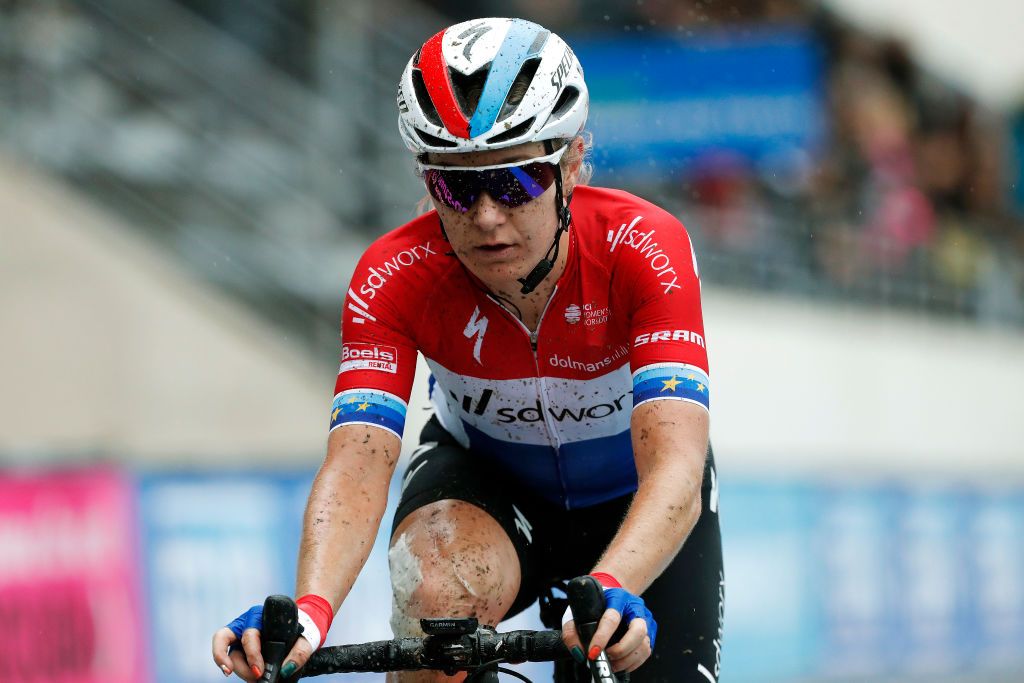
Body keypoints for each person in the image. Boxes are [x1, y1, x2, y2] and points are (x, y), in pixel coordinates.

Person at [212, 17, 723, 683]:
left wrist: (614, 582)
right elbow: (358, 463)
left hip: (632, 496)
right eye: (457, 186)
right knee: (433, 605)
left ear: (571, 164)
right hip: (487, 486)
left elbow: (676, 464)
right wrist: (309, 610)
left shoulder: (644, 247)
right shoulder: (393, 273)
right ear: (428, 182)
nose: (485, 215)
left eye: (514, 183)